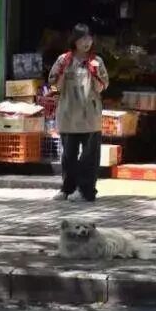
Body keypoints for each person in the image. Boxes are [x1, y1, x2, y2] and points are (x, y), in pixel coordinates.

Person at [48, 24, 109, 202]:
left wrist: (95, 73)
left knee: (90, 156)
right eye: (82, 38)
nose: (86, 42)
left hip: (90, 116)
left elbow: (102, 87)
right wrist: (61, 74)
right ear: (74, 40)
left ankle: (86, 190)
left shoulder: (97, 61)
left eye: (89, 38)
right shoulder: (63, 60)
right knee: (68, 155)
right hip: (68, 114)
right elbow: (53, 87)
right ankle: (67, 188)